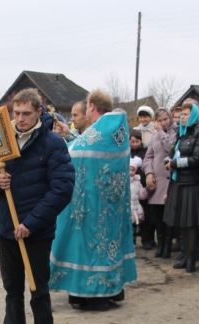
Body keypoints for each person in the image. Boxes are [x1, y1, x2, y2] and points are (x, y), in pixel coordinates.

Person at [0, 88, 74, 324]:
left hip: (36, 231)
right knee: (12, 290)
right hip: (6, 227)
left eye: (26, 113)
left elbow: (61, 189)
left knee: (38, 290)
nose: (20, 119)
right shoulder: (0, 141)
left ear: (39, 112)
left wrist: (31, 224)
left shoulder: (53, 144)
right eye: (16, 113)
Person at [50, 89, 136, 309]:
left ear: (92, 107)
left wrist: (58, 141)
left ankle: (94, 296)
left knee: (91, 247)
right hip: (113, 205)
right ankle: (111, 291)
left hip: (93, 204)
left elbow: (74, 153)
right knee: (109, 246)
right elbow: (85, 145)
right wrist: (69, 136)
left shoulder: (100, 131)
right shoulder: (117, 130)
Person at [163, 103, 199, 273]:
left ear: (194, 115)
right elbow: (172, 151)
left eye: (186, 114)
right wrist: (168, 160)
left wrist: (175, 163)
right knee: (181, 222)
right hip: (178, 182)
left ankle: (192, 258)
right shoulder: (181, 133)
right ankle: (185, 255)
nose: (182, 117)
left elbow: (198, 158)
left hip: (192, 183)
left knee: (190, 223)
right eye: (181, 114)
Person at [144, 107, 178, 258]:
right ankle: (160, 244)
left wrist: (161, 132)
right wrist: (149, 173)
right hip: (156, 179)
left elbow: (171, 147)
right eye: (160, 120)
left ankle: (168, 246)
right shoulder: (154, 136)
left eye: (165, 119)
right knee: (157, 216)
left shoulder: (175, 132)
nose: (163, 123)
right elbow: (148, 157)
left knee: (167, 215)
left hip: (169, 179)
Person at [130, 128, 154, 250]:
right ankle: (131, 241)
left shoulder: (145, 152)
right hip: (130, 187)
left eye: (137, 141)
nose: (134, 144)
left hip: (142, 185)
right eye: (132, 141)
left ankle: (147, 240)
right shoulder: (126, 152)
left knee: (146, 216)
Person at [130, 156, 148, 239]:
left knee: (134, 227)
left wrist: (147, 190)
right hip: (127, 208)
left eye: (133, 170)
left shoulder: (137, 181)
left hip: (136, 207)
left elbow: (141, 196)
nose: (131, 172)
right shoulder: (123, 181)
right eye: (129, 169)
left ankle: (133, 245)